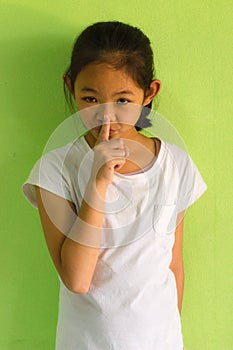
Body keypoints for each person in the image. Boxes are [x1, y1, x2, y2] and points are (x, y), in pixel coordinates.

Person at [23, 21, 207, 350]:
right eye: (90, 99)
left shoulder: (174, 165)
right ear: (70, 87)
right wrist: (97, 183)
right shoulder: (54, 171)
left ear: (148, 93)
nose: (106, 118)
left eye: (123, 101)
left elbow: (173, 264)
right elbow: (77, 280)